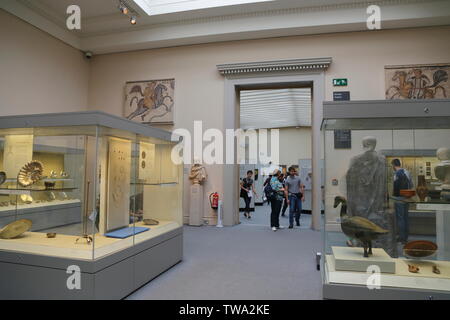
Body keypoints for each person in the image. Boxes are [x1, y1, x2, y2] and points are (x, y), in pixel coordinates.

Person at [392, 159, 413, 244]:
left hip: (399, 198)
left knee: (400, 218)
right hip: (406, 197)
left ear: (393, 165)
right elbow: (411, 185)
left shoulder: (396, 174)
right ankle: (405, 237)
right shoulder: (407, 172)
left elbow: (395, 188)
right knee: (405, 217)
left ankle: (401, 238)